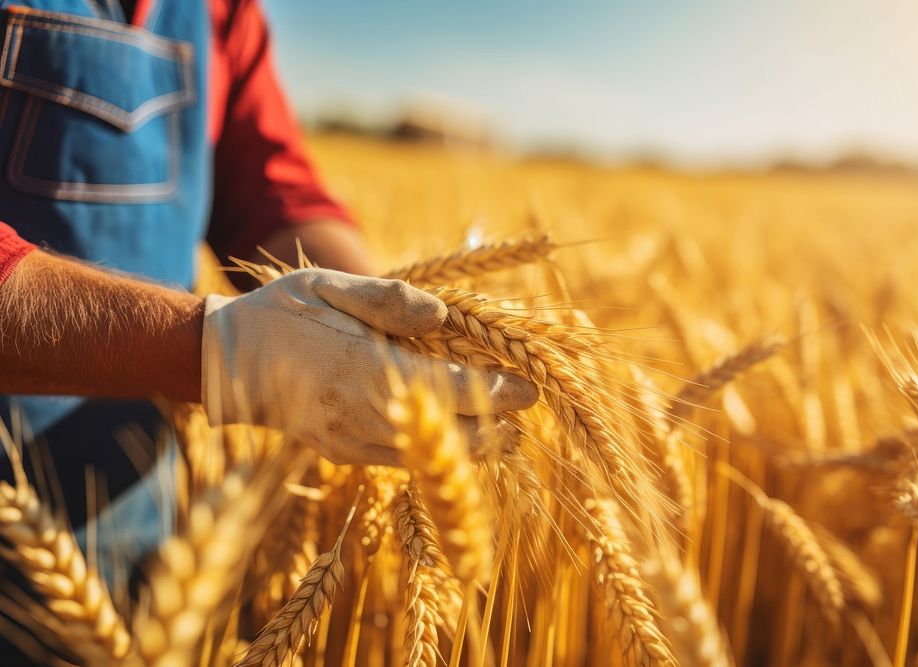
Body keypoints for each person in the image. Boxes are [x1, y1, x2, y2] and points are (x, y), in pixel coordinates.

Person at [0, 0, 537, 659]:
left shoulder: (217, 10)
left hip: (134, 530)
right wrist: (224, 353)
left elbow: (272, 194)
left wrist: (402, 325)